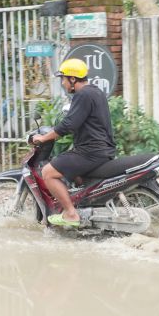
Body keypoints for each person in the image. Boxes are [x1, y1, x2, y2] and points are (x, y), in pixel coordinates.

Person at [30, 58, 116, 228]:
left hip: (91, 151)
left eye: (63, 79)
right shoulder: (95, 92)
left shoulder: (82, 94)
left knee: (48, 172)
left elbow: (69, 124)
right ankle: (84, 211)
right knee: (71, 169)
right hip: (102, 149)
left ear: (73, 79)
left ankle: (71, 213)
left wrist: (44, 137)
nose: (62, 83)